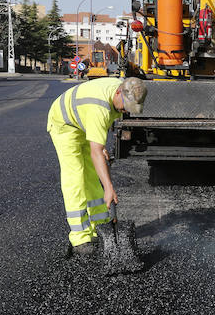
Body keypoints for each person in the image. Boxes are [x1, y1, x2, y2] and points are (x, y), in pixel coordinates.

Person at [47, 77, 147, 255]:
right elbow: (96, 149)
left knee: (92, 177)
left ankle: (100, 227)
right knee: (75, 177)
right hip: (65, 124)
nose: (125, 111)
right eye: (125, 106)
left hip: (83, 123)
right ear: (118, 92)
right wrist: (109, 187)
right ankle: (80, 238)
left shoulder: (121, 90)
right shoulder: (99, 107)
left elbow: (102, 130)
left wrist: (100, 147)